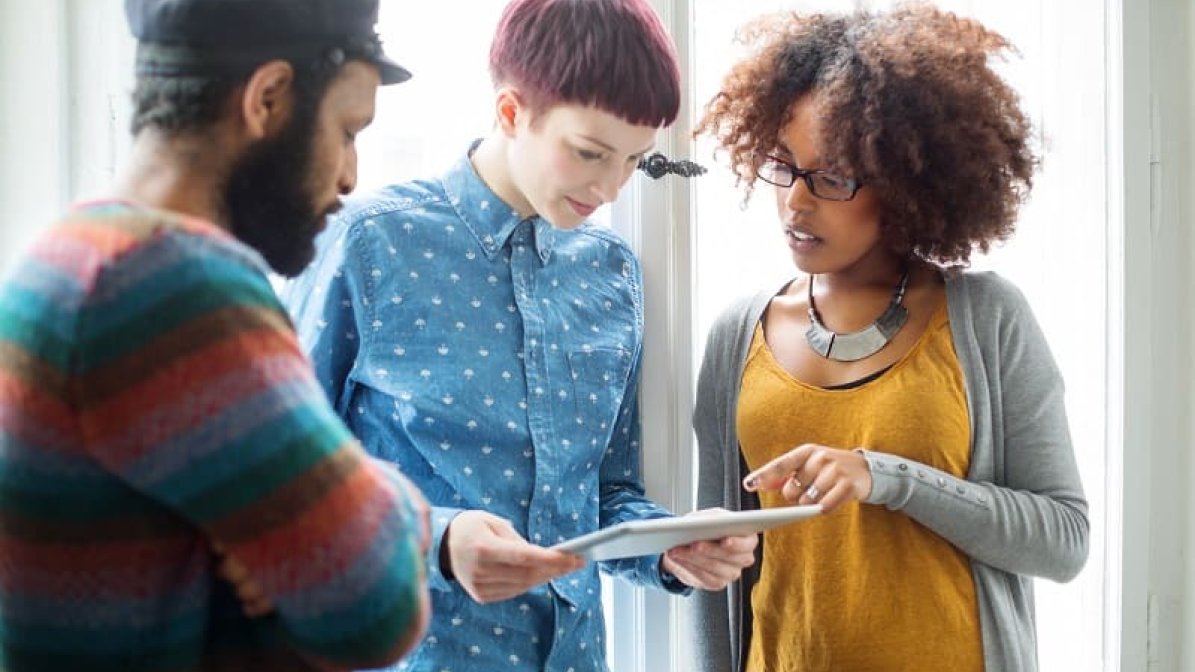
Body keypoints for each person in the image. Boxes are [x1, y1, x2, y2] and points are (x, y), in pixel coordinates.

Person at [281, 0, 758, 669]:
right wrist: (439, 540)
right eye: (590, 153)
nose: (610, 187)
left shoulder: (611, 274)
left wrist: (669, 547)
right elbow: (277, 488)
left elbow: (601, 496)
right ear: (510, 113)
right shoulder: (369, 244)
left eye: (633, 160)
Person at [0, 1, 432, 669]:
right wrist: (390, 504)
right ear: (268, 99)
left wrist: (330, 515)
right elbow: (374, 608)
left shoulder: (71, 254)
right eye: (347, 130)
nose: (350, 176)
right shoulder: (171, 285)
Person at [688, 6, 1090, 671]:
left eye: (834, 177)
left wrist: (886, 477)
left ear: (907, 182)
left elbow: (1062, 541)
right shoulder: (737, 335)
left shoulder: (986, 319)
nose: (795, 202)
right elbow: (716, 569)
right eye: (781, 164)